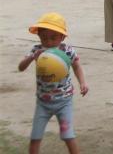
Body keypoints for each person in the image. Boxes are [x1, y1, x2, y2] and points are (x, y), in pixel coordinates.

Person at [19, 12, 88, 154]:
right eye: (44, 38)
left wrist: (83, 83)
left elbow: (76, 66)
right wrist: (32, 57)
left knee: (68, 135)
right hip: (43, 103)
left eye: (53, 38)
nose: (49, 42)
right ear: (38, 36)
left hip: (64, 102)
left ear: (62, 37)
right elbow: (21, 67)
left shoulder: (67, 51)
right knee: (35, 137)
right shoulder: (37, 50)